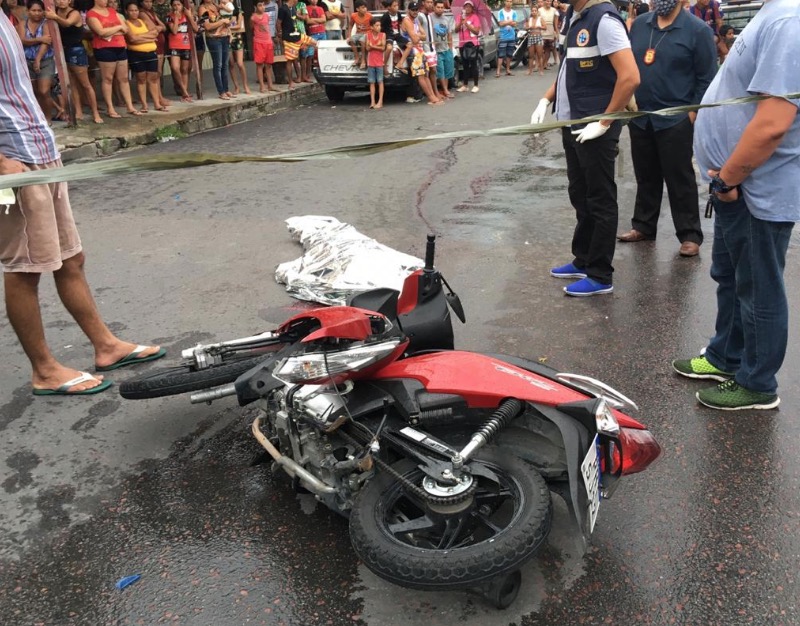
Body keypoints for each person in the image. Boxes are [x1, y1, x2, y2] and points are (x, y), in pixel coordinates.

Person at [0, 11, 165, 397]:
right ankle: (44, 370)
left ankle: (106, 346)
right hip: (13, 162)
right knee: (25, 269)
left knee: (71, 258)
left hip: (39, 150)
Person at [672, 0, 800, 410]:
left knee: (758, 287)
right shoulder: (772, 13)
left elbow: (773, 122)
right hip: (736, 186)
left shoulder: (790, 21)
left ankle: (757, 382)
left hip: (753, 189)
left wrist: (728, 178)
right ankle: (724, 358)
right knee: (730, 275)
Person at [530, 0, 640, 296]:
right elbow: (568, 68)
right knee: (580, 194)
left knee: (600, 198)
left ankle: (601, 274)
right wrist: (546, 99)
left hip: (594, 126)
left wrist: (604, 123)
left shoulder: (604, 20)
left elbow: (630, 77)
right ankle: (584, 258)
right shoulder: (575, 17)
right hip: (572, 122)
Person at [616, 0, 716, 257]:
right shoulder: (639, 25)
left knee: (679, 177)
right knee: (645, 175)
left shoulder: (698, 31)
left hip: (676, 119)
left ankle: (690, 235)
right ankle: (643, 226)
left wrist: (691, 113)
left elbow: (707, 77)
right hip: (641, 116)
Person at [86, 0, 142, 118]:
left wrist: (112, 31)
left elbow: (126, 29)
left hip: (120, 46)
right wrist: (118, 27)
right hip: (104, 48)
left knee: (124, 78)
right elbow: (101, 32)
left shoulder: (112, 11)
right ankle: (110, 108)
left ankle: (129, 106)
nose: (106, 1)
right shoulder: (92, 14)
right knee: (108, 78)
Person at [16, 0, 57, 122]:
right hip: (27, 61)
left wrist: (37, 60)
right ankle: (38, 118)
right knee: (34, 93)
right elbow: (22, 40)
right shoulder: (23, 24)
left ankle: (48, 118)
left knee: (44, 91)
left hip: (45, 61)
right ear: (28, 11)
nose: (37, 13)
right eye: (33, 10)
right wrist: (40, 38)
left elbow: (47, 43)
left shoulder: (46, 24)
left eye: (39, 10)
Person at [124, 0, 162, 112]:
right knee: (141, 79)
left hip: (150, 52)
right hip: (136, 54)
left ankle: (156, 103)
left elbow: (155, 32)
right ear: (127, 12)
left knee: (153, 78)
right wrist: (149, 37)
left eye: (136, 10)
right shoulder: (126, 23)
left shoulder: (143, 20)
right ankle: (144, 105)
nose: (134, 12)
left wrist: (140, 37)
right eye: (131, 10)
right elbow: (132, 39)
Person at [401, 1, 442, 104]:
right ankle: (431, 97)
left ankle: (432, 96)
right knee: (420, 75)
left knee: (425, 74)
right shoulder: (407, 20)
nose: (415, 12)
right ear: (408, 10)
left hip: (419, 50)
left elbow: (424, 36)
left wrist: (417, 35)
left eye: (416, 10)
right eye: (413, 10)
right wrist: (418, 35)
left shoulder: (415, 21)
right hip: (412, 51)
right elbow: (415, 39)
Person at [137, 0, 170, 108]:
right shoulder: (142, 13)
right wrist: (159, 26)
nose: (149, 4)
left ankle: (160, 96)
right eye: (146, 1)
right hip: (153, 45)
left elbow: (164, 27)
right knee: (155, 74)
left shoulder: (152, 13)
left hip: (160, 45)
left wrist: (159, 26)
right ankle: (158, 98)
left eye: (150, 1)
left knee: (158, 72)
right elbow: (153, 28)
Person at [277, 0, 317, 90]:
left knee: (314, 42)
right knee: (290, 60)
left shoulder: (294, 8)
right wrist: (280, 36)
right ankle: (291, 82)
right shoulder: (283, 9)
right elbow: (278, 23)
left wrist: (304, 44)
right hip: (288, 38)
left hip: (298, 35)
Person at [198, 0, 232, 100]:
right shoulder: (203, 9)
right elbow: (207, 26)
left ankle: (226, 89)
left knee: (225, 64)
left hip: (224, 36)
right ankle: (221, 91)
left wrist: (229, 32)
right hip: (213, 38)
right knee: (218, 64)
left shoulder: (215, 6)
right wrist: (222, 21)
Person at [165, 0, 197, 102]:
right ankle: (184, 91)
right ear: (171, 6)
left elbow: (196, 28)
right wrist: (176, 19)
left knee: (184, 70)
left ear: (182, 6)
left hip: (186, 45)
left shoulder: (188, 15)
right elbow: (174, 31)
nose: (176, 7)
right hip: (174, 45)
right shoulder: (169, 16)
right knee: (175, 68)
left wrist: (189, 16)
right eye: (174, 5)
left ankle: (184, 93)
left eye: (178, 4)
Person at [455, 0, 480, 93]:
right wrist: (460, 23)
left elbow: (476, 31)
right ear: (463, 8)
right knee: (465, 65)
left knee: (473, 65)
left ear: (472, 8)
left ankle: (476, 85)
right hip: (462, 43)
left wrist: (467, 24)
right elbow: (456, 30)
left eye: (469, 6)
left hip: (472, 44)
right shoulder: (459, 17)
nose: (467, 8)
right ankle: (465, 85)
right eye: (466, 6)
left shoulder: (475, 17)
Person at [251, 0, 277, 92]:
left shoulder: (266, 16)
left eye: (263, 5)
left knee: (268, 65)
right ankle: (262, 86)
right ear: (256, 7)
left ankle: (270, 85)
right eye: (259, 5)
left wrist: (271, 40)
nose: (262, 7)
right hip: (259, 42)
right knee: (259, 65)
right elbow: (252, 28)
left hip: (268, 42)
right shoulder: (253, 17)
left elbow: (267, 29)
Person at [430, 0, 454, 98]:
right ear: (434, 7)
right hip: (436, 51)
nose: (440, 9)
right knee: (441, 71)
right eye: (438, 7)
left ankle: (445, 89)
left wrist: (451, 49)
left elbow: (449, 35)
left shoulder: (446, 19)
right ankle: (445, 90)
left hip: (446, 49)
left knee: (448, 71)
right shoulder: (430, 18)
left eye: (442, 7)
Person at [227, 5, 251, 95]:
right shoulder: (221, 12)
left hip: (237, 38)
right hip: (227, 38)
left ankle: (245, 85)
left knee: (240, 63)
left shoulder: (238, 11)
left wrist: (227, 27)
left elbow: (238, 26)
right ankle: (236, 86)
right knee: (231, 63)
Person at [302, 0, 326, 83]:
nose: (314, 0)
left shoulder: (320, 8)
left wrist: (313, 19)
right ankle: (308, 74)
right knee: (310, 55)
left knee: (323, 53)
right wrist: (319, 20)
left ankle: (324, 72)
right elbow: (308, 21)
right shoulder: (306, 8)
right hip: (312, 33)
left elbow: (324, 20)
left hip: (322, 32)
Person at [366, 16, 385, 108]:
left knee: (380, 81)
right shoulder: (368, 35)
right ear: (372, 27)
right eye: (377, 25)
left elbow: (383, 48)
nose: (379, 27)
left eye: (379, 25)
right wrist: (377, 45)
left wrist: (372, 46)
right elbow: (367, 47)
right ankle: (372, 101)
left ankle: (380, 101)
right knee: (372, 82)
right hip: (370, 62)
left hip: (379, 62)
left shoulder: (383, 35)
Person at [496, 0, 517, 77]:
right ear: (505, 2)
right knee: (501, 54)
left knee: (509, 54)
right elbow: (500, 23)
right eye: (507, 1)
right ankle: (498, 71)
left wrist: (506, 22)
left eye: (511, 1)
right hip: (503, 36)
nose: (509, 3)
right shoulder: (501, 12)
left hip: (511, 35)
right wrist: (510, 22)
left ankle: (508, 70)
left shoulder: (514, 12)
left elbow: (515, 23)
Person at [348, 0, 371, 69]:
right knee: (351, 40)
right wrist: (349, 35)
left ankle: (363, 60)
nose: (365, 9)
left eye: (365, 7)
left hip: (367, 34)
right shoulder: (353, 15)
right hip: (358, 33)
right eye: (363, 7)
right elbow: (350, 25)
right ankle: (357, 58)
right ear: (357, 9)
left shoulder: (369, 16)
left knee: (362, 40)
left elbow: (374, 26)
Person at [538, 0, 558, 68]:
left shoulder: (554, 10)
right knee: (541, 48)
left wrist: (556, 32)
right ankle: (540, 64)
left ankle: (545, 64)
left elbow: (555, 23)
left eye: (550, 1)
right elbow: (538, 21)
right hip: (542, 30)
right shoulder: (540, 10)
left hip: (550, 30)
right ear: (544, 2)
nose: (548, 3)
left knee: (549, 48)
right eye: (547, 1)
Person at [526, 4, 544, 75]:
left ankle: (541, 70)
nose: (534, 12)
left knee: (540, 55)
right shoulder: (529, 19)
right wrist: (529, 28)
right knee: (531, 55)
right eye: (532, 11)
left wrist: (539, 26)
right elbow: (526, 27)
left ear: (537, 11)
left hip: (538, 36)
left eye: (535, 11)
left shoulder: (540, 19)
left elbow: (545, 27)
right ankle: (530, 70)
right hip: (531, 37)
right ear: (531, 12)